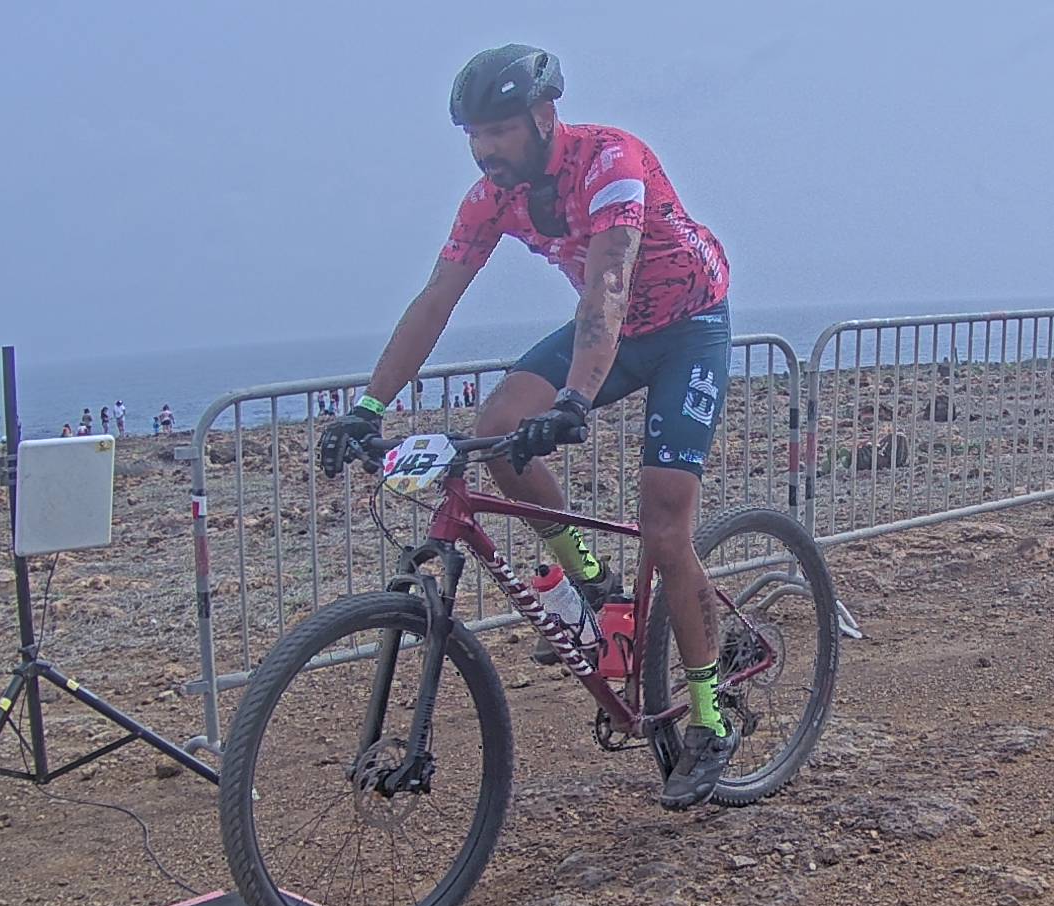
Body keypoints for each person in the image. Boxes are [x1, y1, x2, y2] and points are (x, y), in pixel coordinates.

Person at [315, 45, 739, 809]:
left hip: (687, 326)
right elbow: (435, 301)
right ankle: (592, 581)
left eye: (500, 131)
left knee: (665, 528)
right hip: (612, 330)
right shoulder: (491, 199)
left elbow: (608, 285)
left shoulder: (610, 161)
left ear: (545, 117)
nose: (485, 149)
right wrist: (367, 408)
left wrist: (575, 400)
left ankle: (710, 720)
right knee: (500, 428)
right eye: (474, 135)